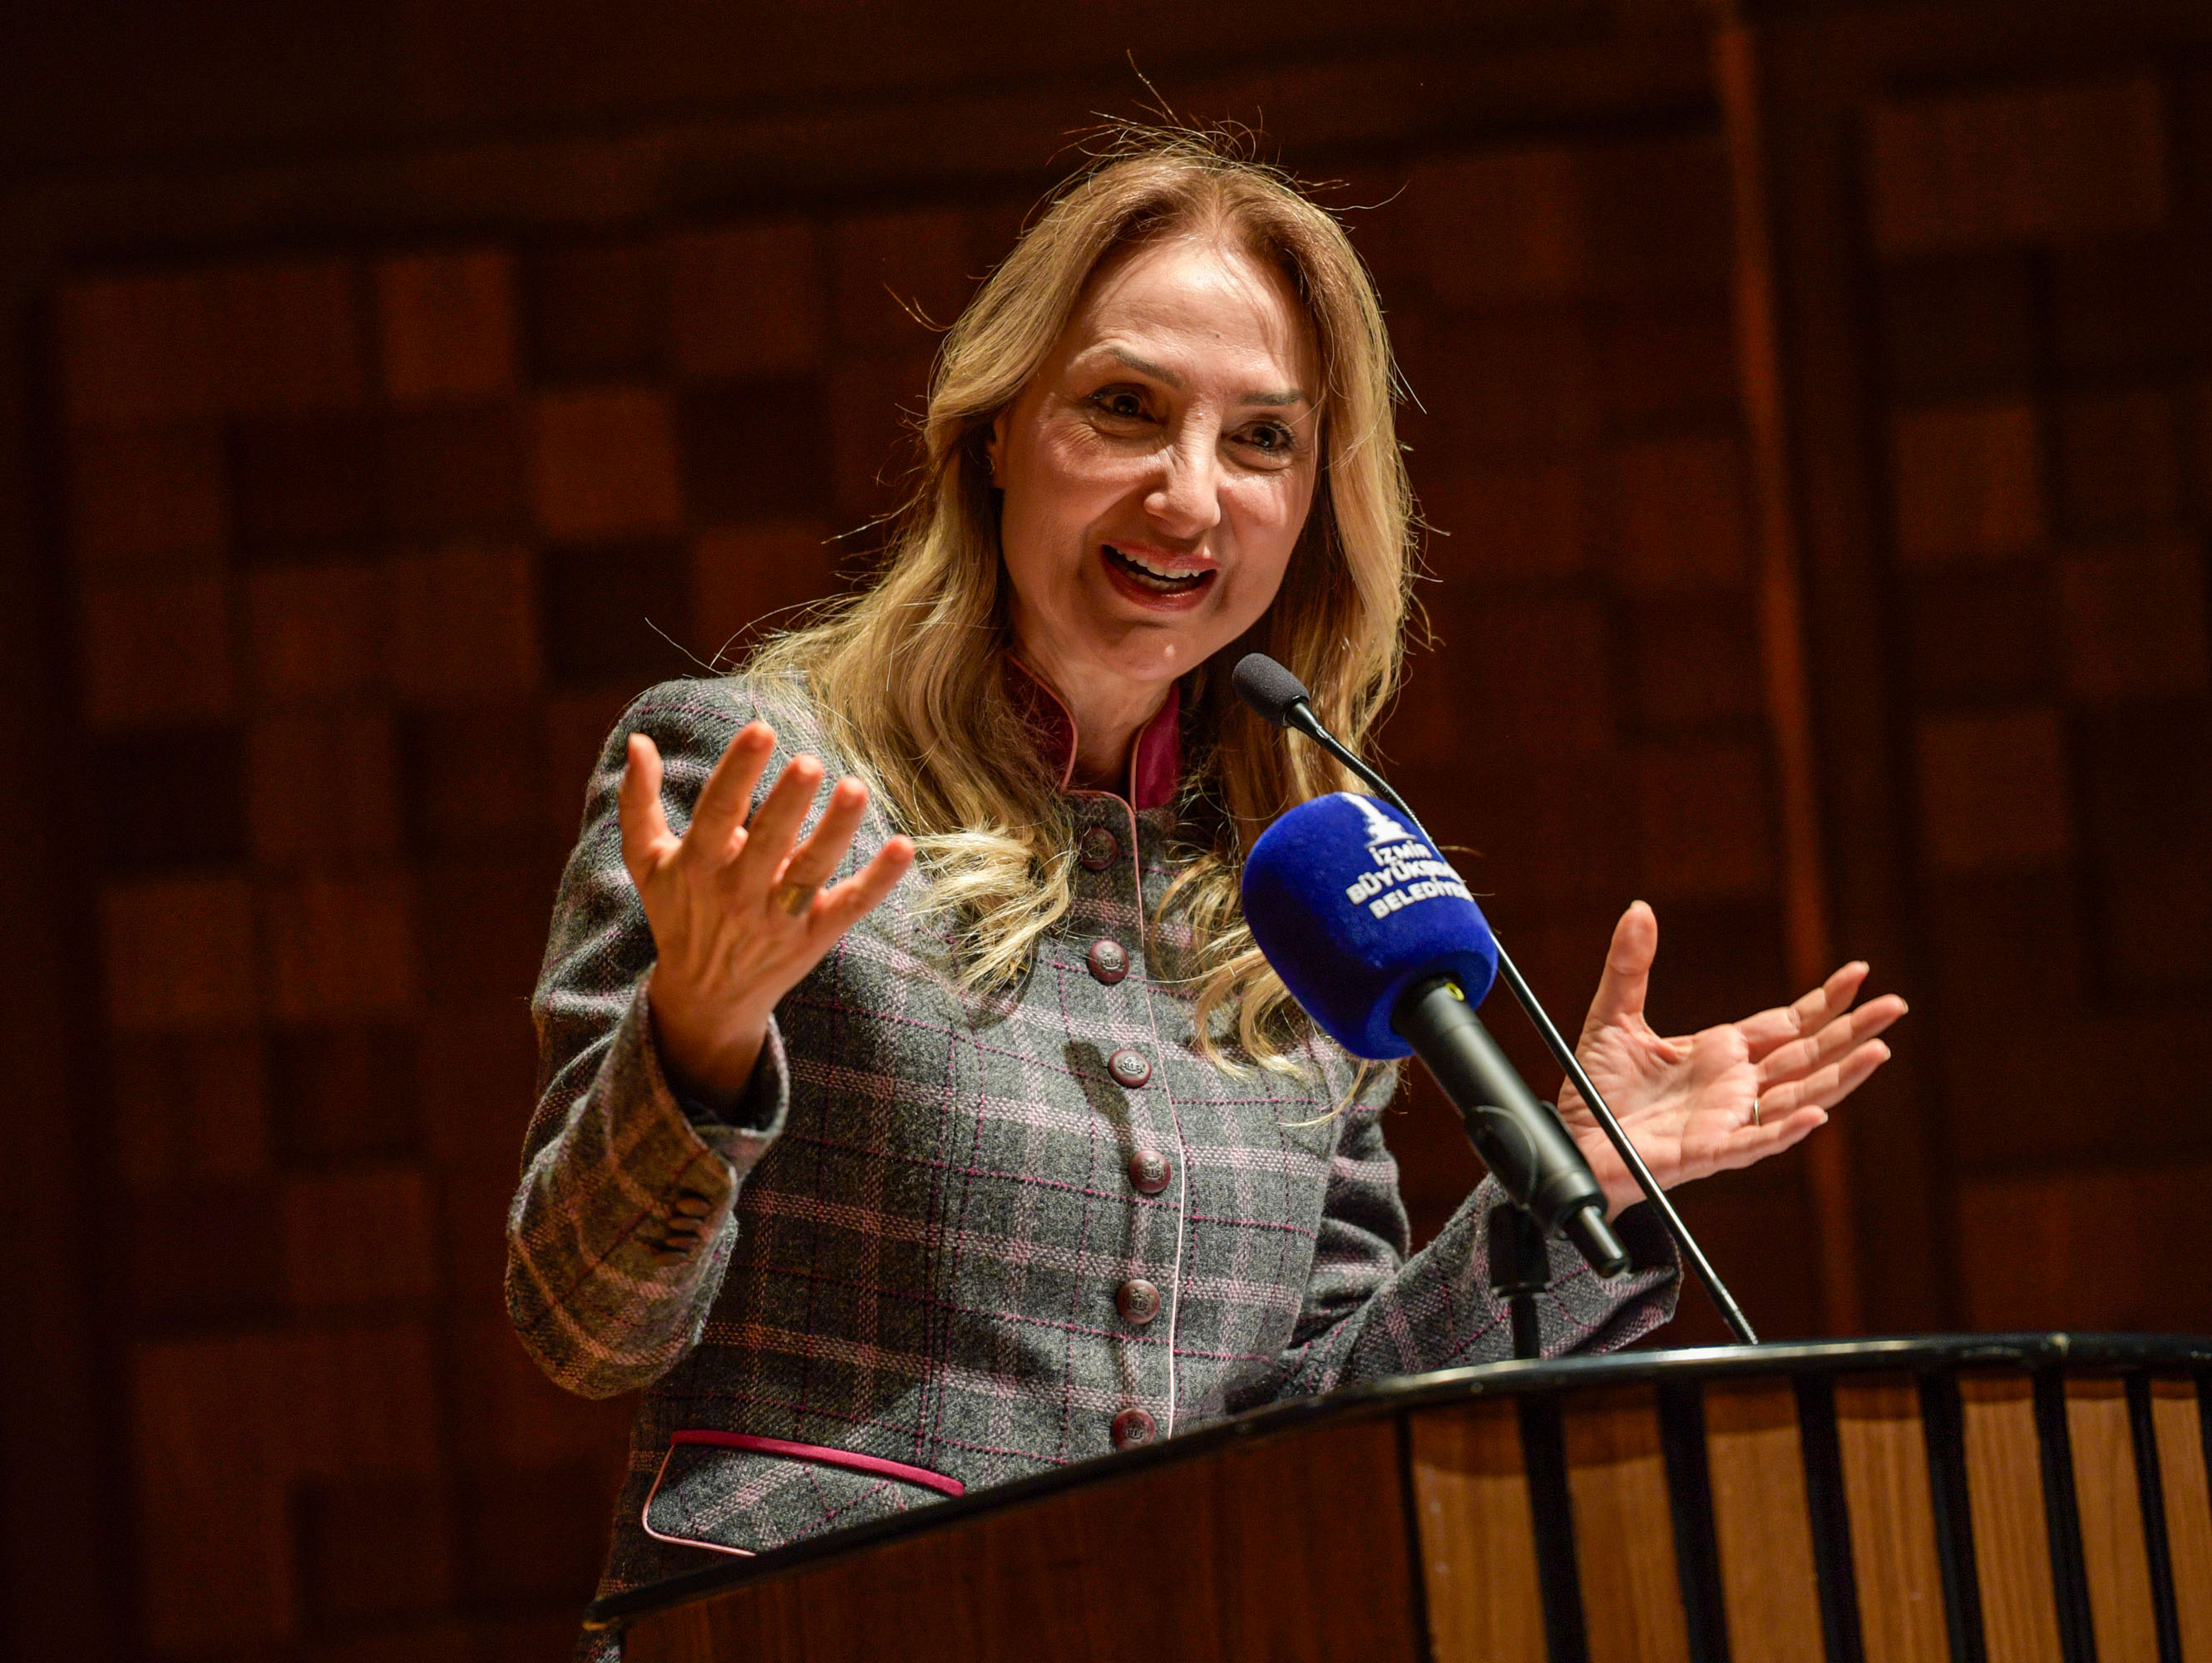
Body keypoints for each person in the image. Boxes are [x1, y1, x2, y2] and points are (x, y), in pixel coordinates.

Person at [507, 130, 1905, 1621]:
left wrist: (1579, 1179)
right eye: (1125, 408)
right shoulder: (760, 778)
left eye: (1262, 440)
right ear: (996, 430)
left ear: (1316, 498)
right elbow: (584, 1331)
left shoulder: (1309, 892)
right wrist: (699, 1038)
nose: (1189, 496)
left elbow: (1324, 1428)